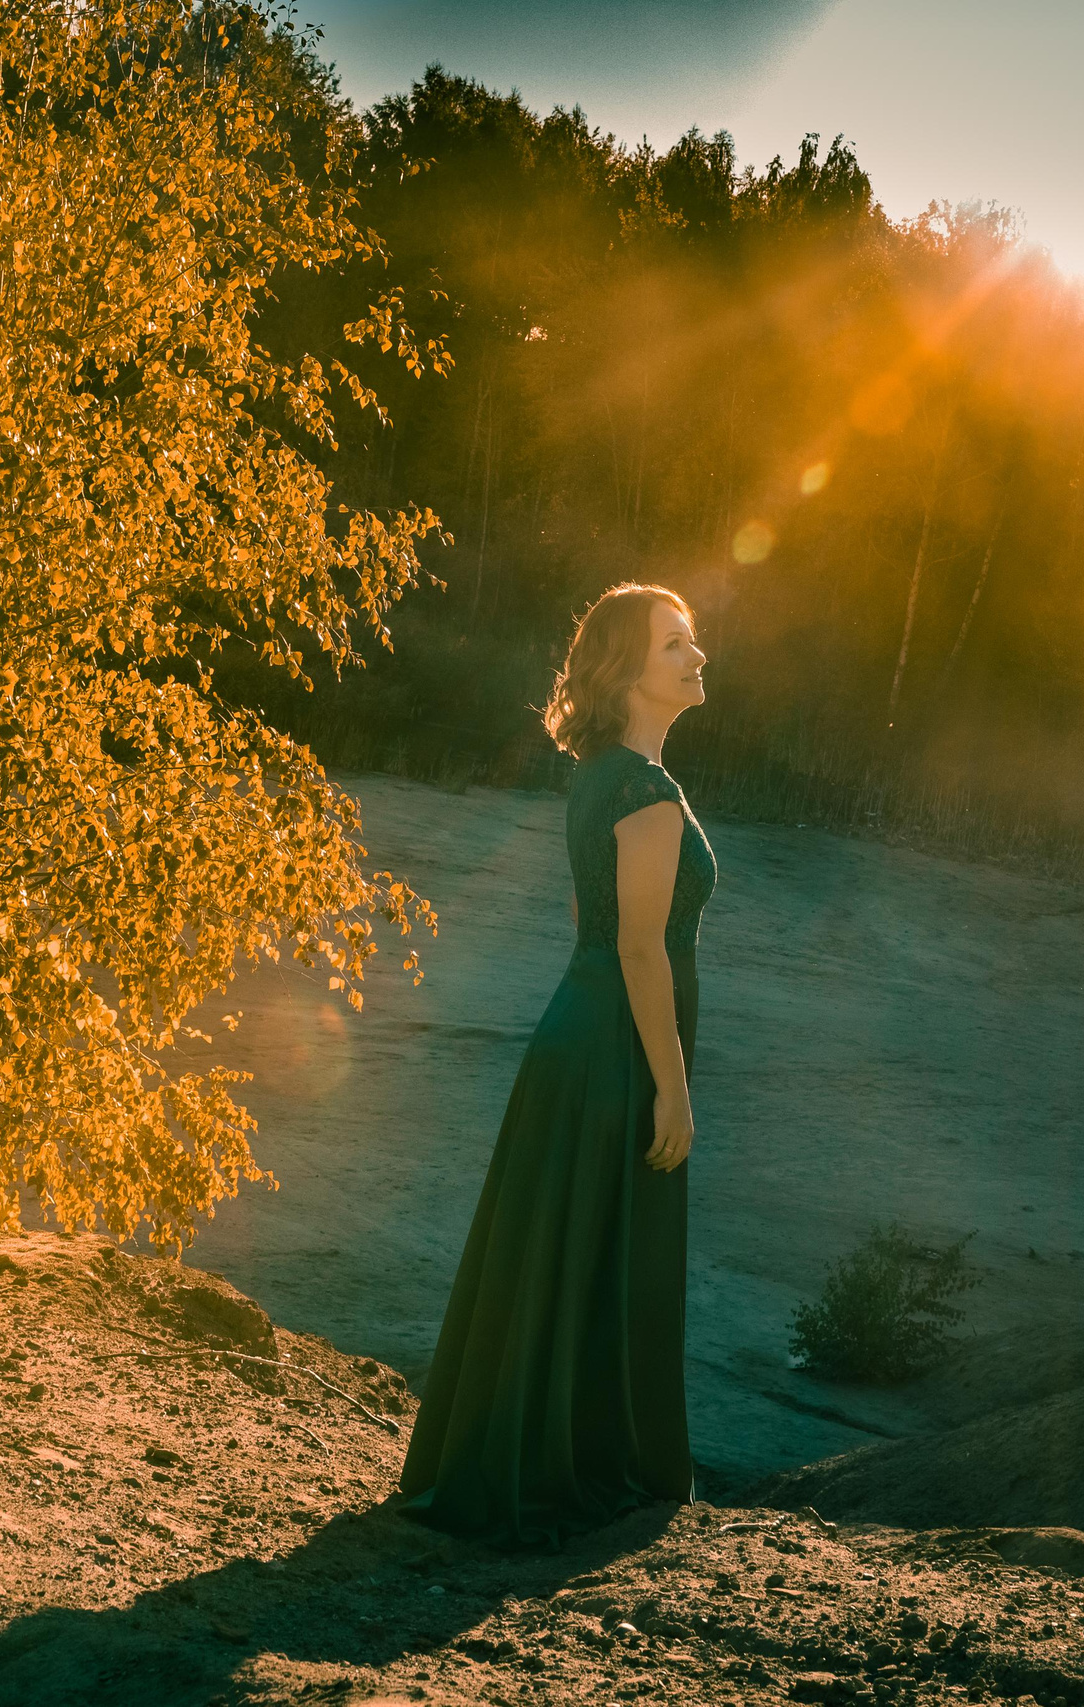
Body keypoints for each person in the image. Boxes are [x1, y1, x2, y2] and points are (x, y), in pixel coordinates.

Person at [396, 582, 717, 1546]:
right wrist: (672, 1085)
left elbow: (589, 918)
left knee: (567, 1249)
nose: (697, 656)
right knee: (604, 1251)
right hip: (615, 1046)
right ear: (627, 670)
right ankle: (585, 1464)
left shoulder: (601, 777)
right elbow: (639, 947)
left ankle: (533, 1452)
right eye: (674, 644)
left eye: (692, 640)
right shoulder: (647, 790)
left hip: (579, 1031)